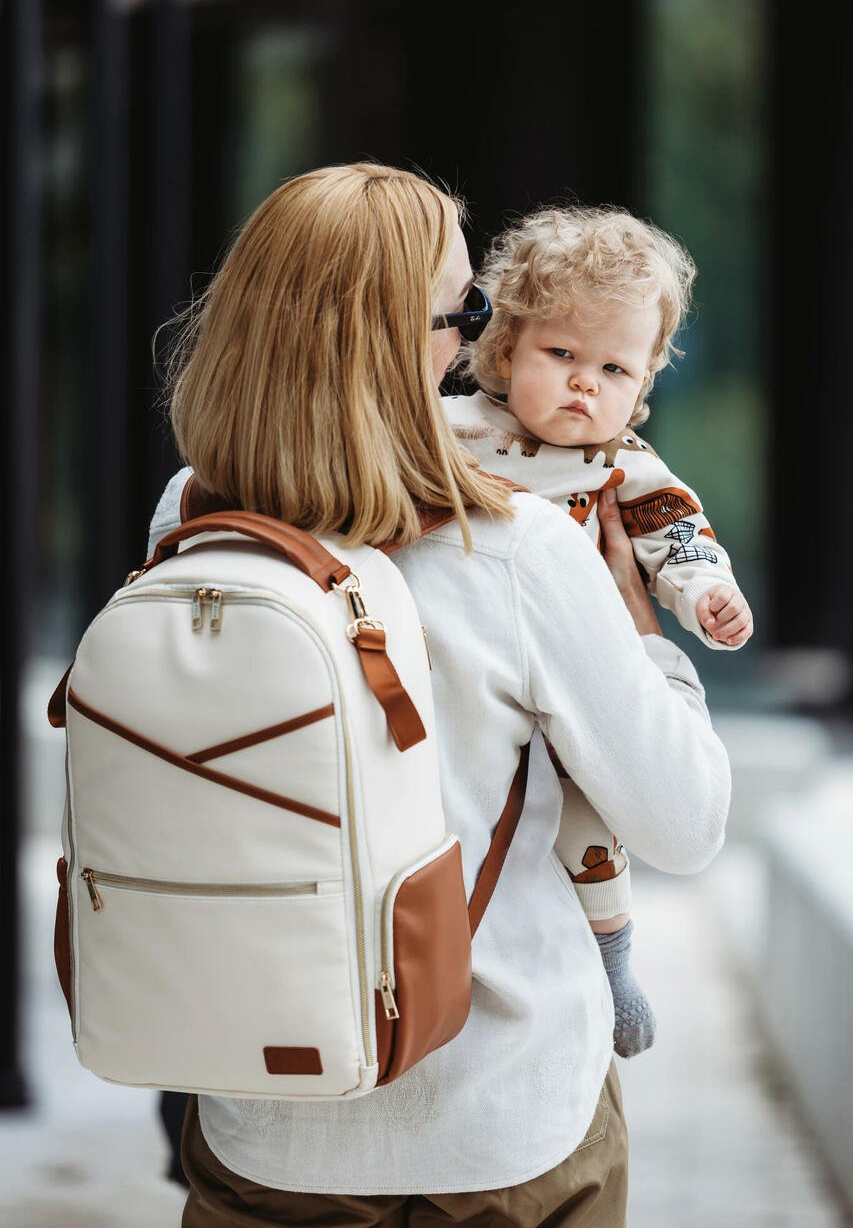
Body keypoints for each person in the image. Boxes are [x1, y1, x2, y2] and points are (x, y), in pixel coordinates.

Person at [147, 162, 731, 1227]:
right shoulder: (518, 547)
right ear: (401, 337)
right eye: (465, 310)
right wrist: (644, 634)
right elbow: (685, 823)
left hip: (265, 1102)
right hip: (505, 1120)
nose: (474, 339)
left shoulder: (188, 513)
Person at [445, 204, 753, 1059]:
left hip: (582, 681)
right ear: (505, 350)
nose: (586, 384)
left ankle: (613, 956)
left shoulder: (625, 467)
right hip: (475, 676)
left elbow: (676, 538)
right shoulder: (452, 434)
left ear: (642, 384)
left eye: (614, 368)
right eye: (562, 355)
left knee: (589, 817)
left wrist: (703, 600)